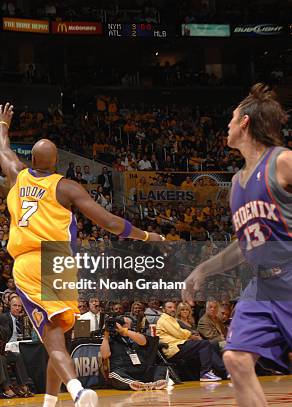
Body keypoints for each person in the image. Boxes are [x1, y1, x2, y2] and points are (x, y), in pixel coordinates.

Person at [0, 102, 164, 407]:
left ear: (30, 159)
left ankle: (75, 391)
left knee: (52, 336)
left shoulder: (17, 176)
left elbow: (4, 151)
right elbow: (110, 223)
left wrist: (2, 126)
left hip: (31, 261)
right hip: (59, 260)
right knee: (58, 334)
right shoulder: (66, 187)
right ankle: (56, 399)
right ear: (57, 161)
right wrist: (147, 235)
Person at [183, 83, 292, 407]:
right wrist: (202, 269)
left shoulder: (282, 161)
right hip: (262, 285)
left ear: (244, 122)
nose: (227, 126)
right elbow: (243, 245)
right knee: (236, 359)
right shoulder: (235, 184)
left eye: (231, 119)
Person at [157, 301, 226, 381]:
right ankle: (206, 373)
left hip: (179, 344)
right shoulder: (164, 319)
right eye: (170, 307)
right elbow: (179, 333)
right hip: (173, 347)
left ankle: (222, 372)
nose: (173, 309)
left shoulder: (171, 319)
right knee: (205, 344)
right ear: (164, 310)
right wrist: (191, 335)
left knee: (207, 347)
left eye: (174, 307)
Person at [99, 316, 167, 391]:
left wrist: (124, 331)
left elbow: (143, 341)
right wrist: (106, 335)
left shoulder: (135, 335)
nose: (119, 325)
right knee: (114, 375)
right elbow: (105, 355)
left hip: (142, 369)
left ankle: (156, 382)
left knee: (161, 367)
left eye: (124, 323)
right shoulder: (111, 339)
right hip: (123, 370)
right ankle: (134, 383)